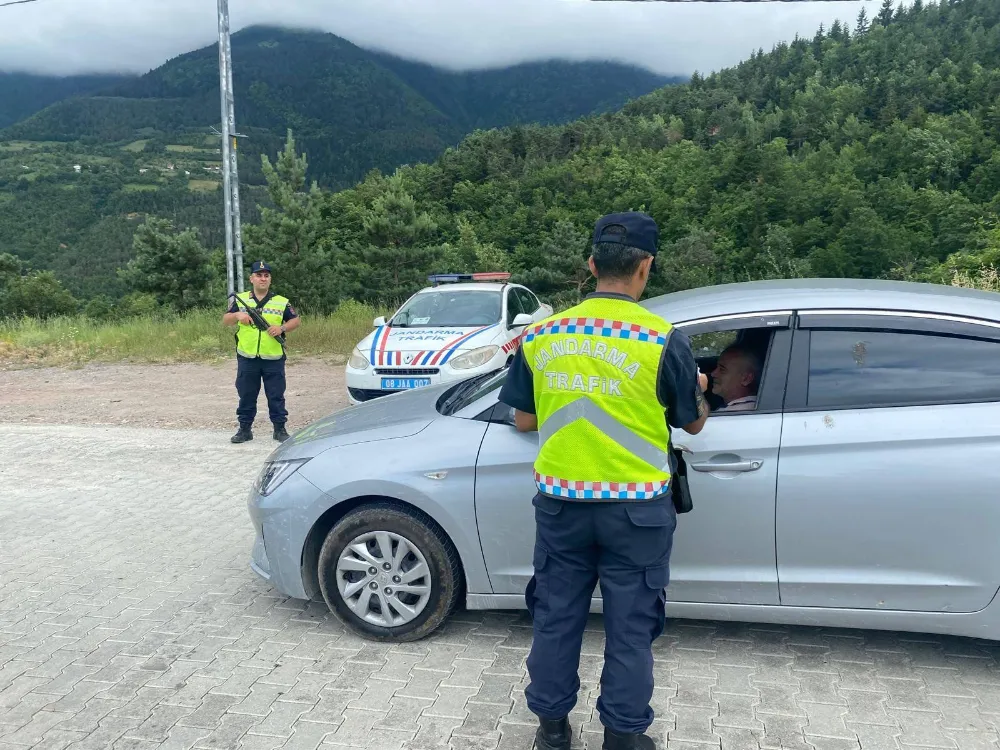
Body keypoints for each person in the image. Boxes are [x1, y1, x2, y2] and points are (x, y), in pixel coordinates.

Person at [497, 212, 710, 750]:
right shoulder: (662, 340)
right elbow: (693, 420)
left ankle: (550, 730)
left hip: (562, 507)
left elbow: (523, 418)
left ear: (591, 265)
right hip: (637, 512)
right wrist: (701, 385)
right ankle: (623, 735)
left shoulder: (541, 335)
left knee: (556, 619)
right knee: (631, 630)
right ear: (646, 267)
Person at [222, 261, 301, 443]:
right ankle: (244, 430)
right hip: (247, 357)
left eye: (266, 275)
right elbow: (226, 320)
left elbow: (295, 321)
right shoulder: (240, 300)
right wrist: (237, 316)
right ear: (251, 278)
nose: (262, 278)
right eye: (259, 275)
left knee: (276, 395)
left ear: (270, 279)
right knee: (246, 395)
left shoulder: (281, 302)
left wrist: (281, 328)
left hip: (273, 357)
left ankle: (279, 429)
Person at [711, 344, 761, 412]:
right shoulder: (756, 407)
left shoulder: (735, 413)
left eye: (722, 370)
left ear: (746, 379)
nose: (713, 374)